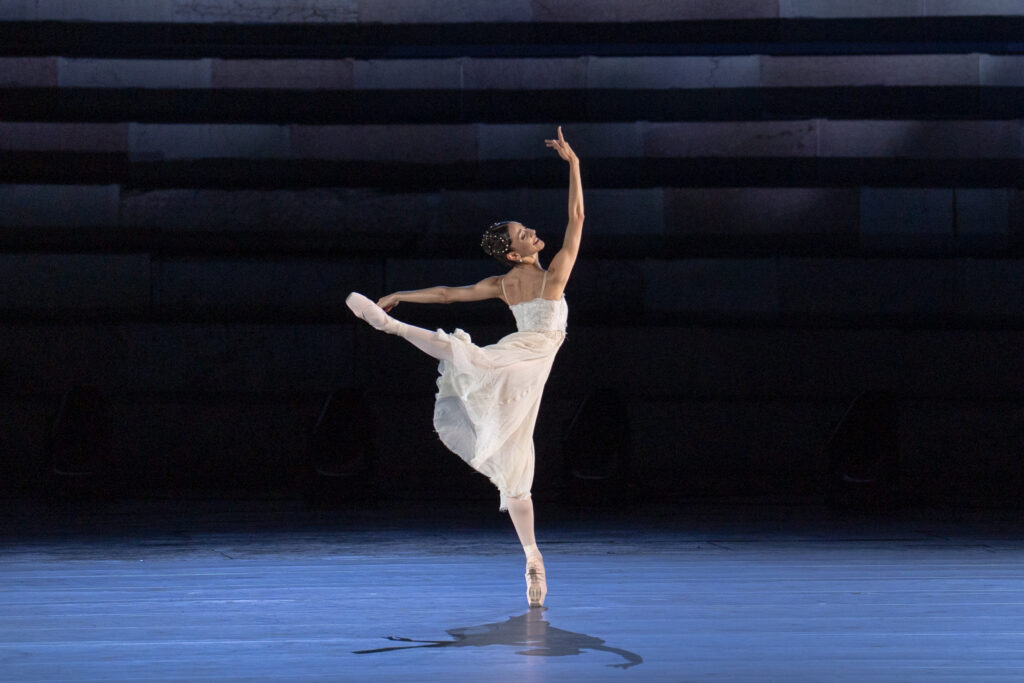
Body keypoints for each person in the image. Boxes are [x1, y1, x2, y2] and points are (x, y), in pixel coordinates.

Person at [345, 126, 583, 608]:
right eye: (523, 235)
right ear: (515, 254)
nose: (532, 233)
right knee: (474, 365)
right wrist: (574, 165)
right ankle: (392, 327)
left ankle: (533, 557)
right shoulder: (551, 276)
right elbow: (576, 216)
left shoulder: (506, 283)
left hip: (526, 364)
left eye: (526, 229)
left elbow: (447, 294)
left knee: (514, 458)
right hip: (524, 358)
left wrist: (402, 292)